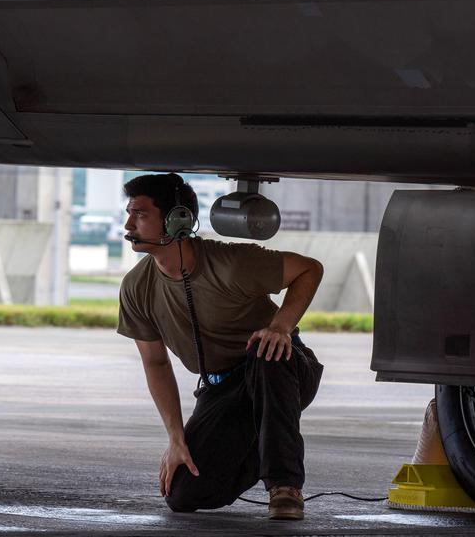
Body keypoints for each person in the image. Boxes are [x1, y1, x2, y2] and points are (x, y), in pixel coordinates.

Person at [116, 173, 324, 520]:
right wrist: (176, 440)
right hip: (223, 389)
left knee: (264, 351)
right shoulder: (137, 288)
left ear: (176, 219)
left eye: (139, 214)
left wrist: (280, 327)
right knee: (183, 493)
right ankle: (262, 444)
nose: (129, 223)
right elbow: (155, 364)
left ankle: (285, 486)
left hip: (281, 369)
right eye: (129, 213)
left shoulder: (231, 263)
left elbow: (309, 269)